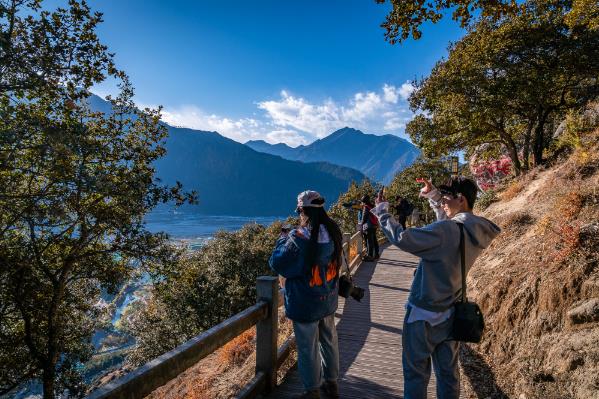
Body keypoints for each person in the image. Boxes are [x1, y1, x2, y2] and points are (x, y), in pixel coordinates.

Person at [370, 177, 500, 399]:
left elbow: (404, 238)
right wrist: (434, 196)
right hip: (450, 312)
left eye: (446, 198)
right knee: (448, 375)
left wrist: (382, 212)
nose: (443, 203)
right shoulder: (474, 229)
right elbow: (448, 230)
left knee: (416, 375)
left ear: (461, 199)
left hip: (422, 315)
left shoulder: (448, 231)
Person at [269, 190, 343, 399]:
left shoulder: (297, 238)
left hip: (304, 303)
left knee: (307, 348)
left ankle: (312, 390)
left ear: (302, 210)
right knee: (329, 341)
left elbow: (277, 262)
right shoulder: (334, 233)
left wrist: (282, 240)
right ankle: (332, 383)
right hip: (327, 299)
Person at [358, 194, 380, 261]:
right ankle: (376, 254)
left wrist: (361, 225)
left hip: (369, 226)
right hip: (374, 225)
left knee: (369, 241)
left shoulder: (366, 207)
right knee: (374, 240)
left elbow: (364, 218)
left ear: (363, 201)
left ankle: (370, 256)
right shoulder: (372, 206)